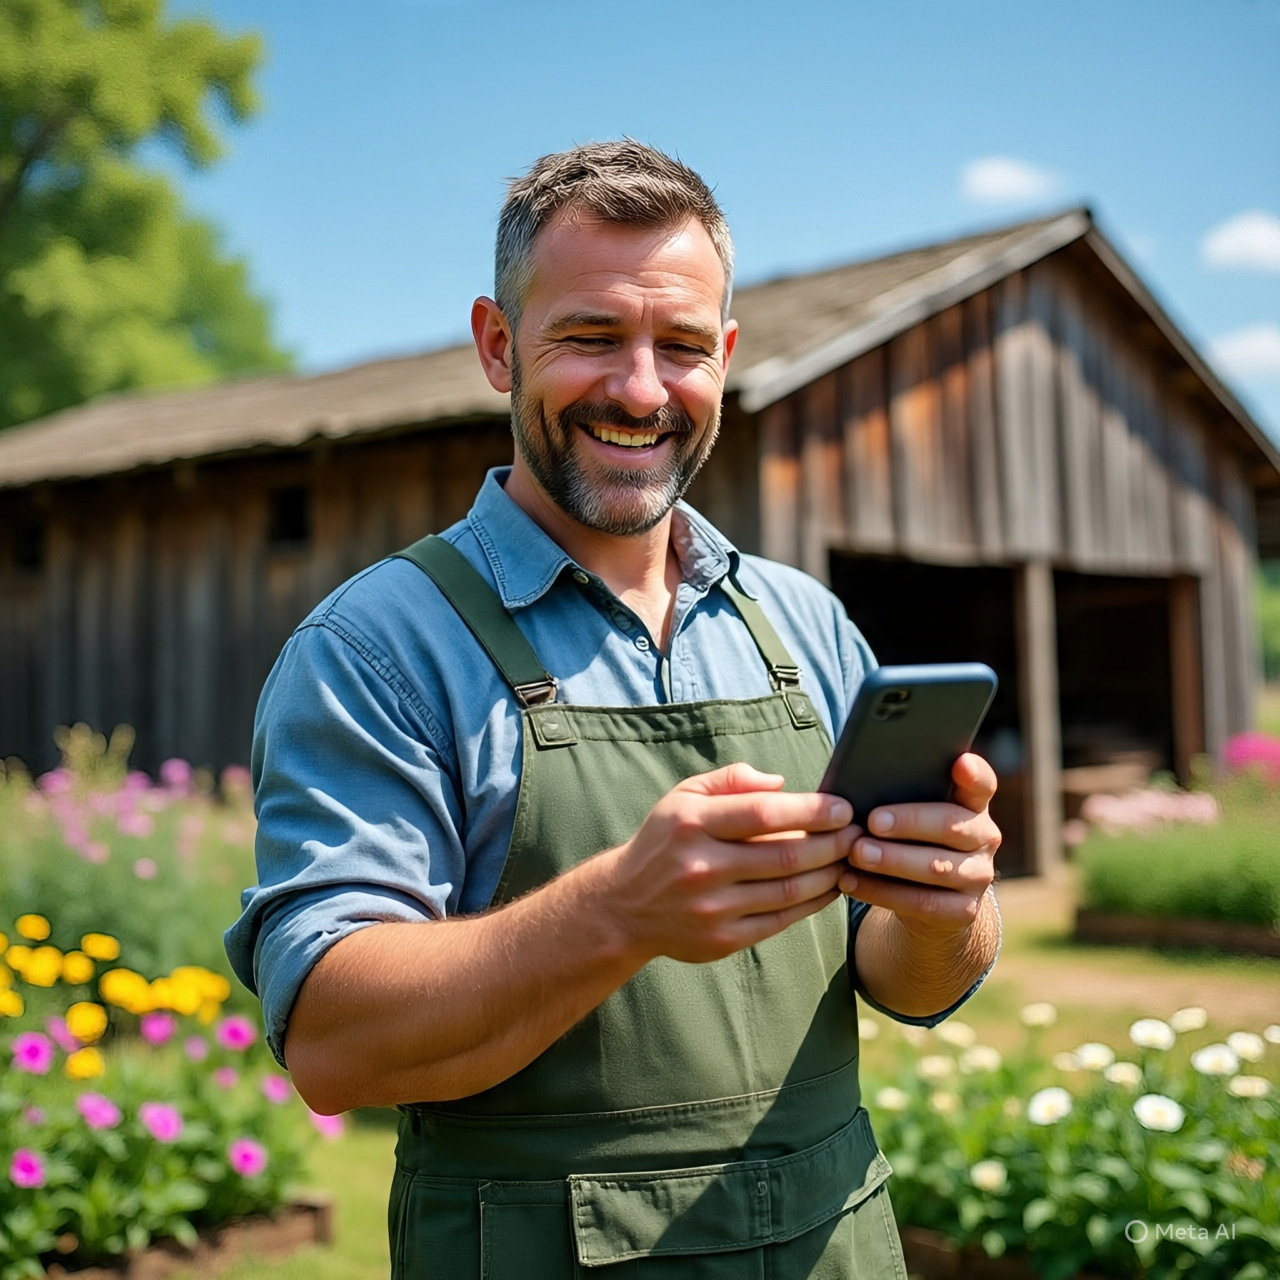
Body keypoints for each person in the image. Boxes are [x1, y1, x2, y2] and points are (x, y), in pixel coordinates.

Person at [226, 140, 1002, 1279]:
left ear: (724, 359)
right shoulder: (377, 649)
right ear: (498, 346)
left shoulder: (804, 625)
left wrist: (944, 911)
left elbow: (900, 980)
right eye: (590, 337)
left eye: (681, 347)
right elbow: (333, 1042)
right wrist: (616, 911)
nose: (640, 390)